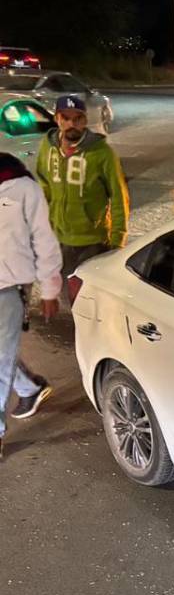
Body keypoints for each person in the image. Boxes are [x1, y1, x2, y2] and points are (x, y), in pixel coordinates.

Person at [0, 152, 62, 457]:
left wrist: (50, 288)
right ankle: (29, 388)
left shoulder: (22, 186)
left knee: (0, 359)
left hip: (9, 287)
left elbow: (43, 239)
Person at [36, 94, 129, 286]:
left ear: (85, 120)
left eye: (77, 118)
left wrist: (117, 241)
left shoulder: (102, 153)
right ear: (57, 119)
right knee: (62, 291)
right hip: (58, 238)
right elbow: (43, 185)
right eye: (66, 118)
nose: (72, 123)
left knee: (89, 298)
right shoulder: (48, 146)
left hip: (92, 242)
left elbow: (119, 196)